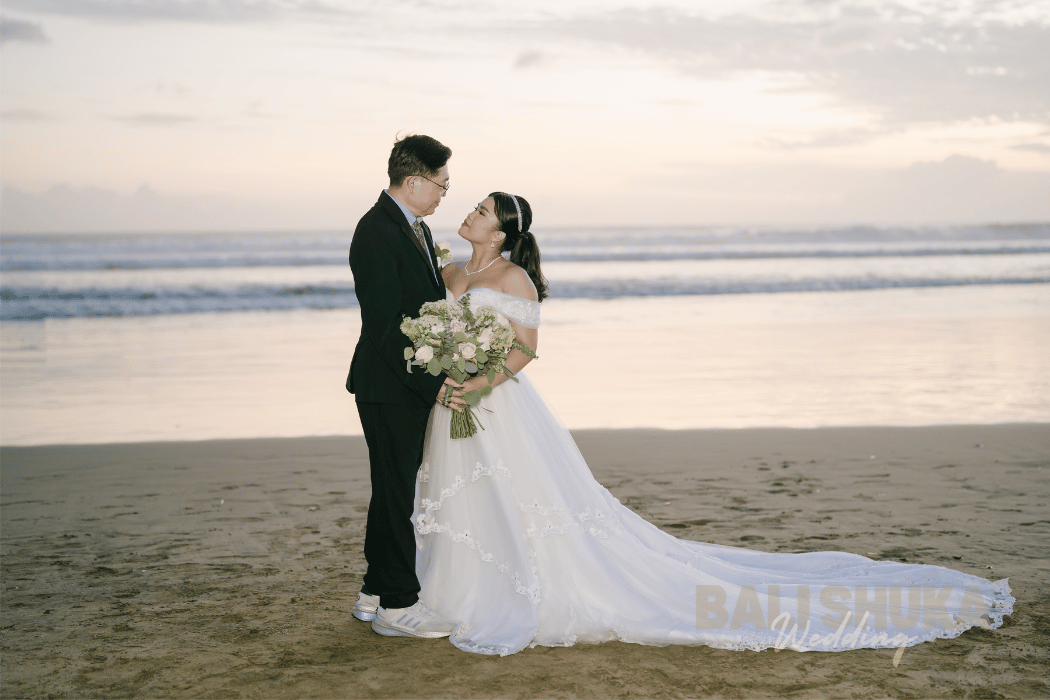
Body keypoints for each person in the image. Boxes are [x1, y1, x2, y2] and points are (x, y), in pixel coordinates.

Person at [397, 191, 1014, 655]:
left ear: (503, 231)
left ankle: (514, 592)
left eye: (482, 210)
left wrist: (480, 382)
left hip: (494, 403)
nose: (470, 213)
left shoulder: (513, 277)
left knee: (520, 498)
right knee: (460, 495)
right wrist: (444, 366)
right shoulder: (449, 273)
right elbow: (436, 326)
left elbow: (526, 349)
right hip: (450, 402)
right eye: (473, 206)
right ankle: (454, 591)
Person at [346, 134, 469, 638]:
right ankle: (397, 608)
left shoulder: (414, 226)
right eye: (442, 184)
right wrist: (433, 382)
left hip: (399, 381)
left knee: (392, 490)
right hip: (389, 383)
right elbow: (384, 325)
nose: (444, 194)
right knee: (397, 494)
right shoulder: (377, 231)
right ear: (415, 181)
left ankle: (375, 592)